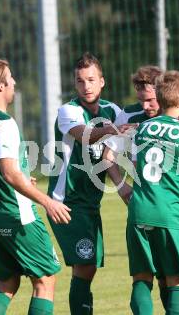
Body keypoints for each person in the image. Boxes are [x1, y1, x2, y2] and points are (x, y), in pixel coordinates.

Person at [0, 58, 71, 315]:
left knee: (7, 282)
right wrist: (47, 201)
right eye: (10, 78)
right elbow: (10, 173)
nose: (14, 82)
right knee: (45, 280)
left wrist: (20, 178)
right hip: (17, 216)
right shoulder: (4, 123)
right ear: (0, 86)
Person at [104, 70, 179, 315]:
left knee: (142, 279)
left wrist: (122, 187)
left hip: (139, 212)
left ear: (158, 99)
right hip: (171, 216)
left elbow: (107, 156)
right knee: (177, 282)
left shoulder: (140, 128)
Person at [47, 52, 132, 314]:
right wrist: (109, 130)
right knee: (84, 265)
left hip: (90, 201)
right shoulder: (68, 110)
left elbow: (117, 150)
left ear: (102, 81)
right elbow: (85, 135)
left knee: (88, 267)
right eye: (80, 81)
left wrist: (122, 184)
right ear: (75, 84)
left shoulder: (114, 110)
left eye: (91, 80)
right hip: (67, 201)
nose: (86, 86)